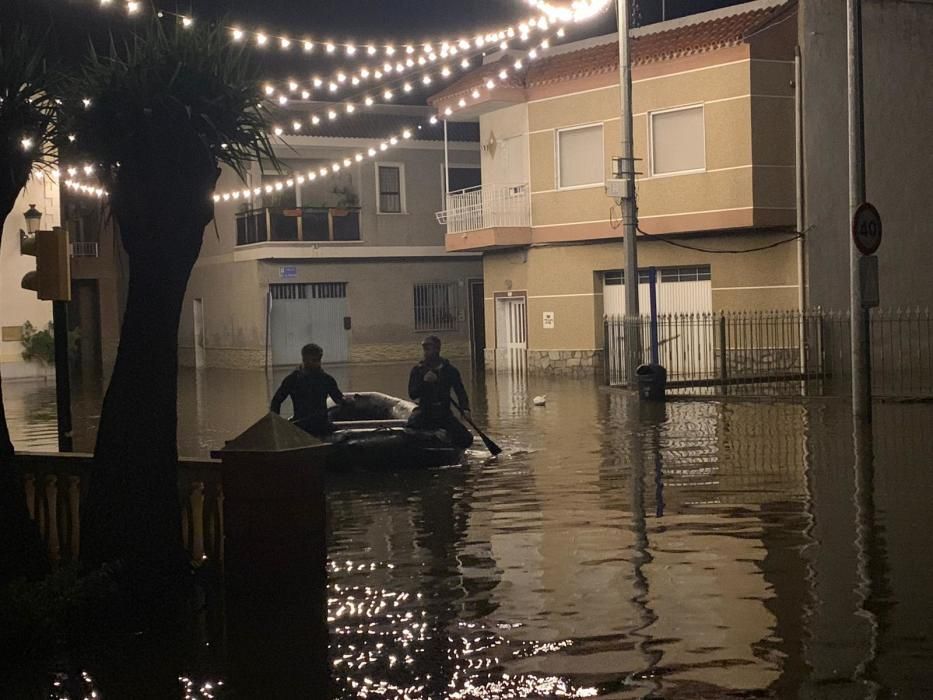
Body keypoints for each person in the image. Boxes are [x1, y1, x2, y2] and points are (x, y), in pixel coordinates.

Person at [407, 335, 474, 449]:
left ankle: (448, 443)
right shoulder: (418, 370)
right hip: (425, 412)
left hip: (444, 413)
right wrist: (425, 382)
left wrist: (465, 409)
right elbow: (413, 394)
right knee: (409, 432)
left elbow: (460, 391)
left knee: (466, 438)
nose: (426, 353)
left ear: (437, 349)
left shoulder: (450, 370)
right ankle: (432, 435)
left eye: (429, 349)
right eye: (424, 349)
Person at [270, 343, 348, 437]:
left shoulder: (326, 379)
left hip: (322, 425)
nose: (318, 363)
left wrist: (346, 402)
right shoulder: (293, 380)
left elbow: (338, 399)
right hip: (301, 426)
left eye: (319, 360)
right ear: (304, 360)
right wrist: (277, 425)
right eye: (314, 360)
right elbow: (276, 402)